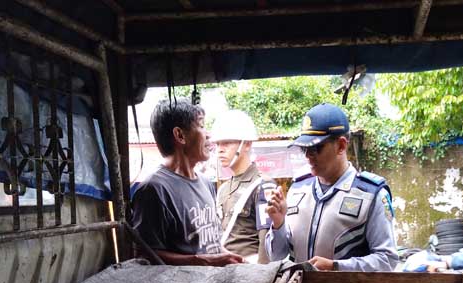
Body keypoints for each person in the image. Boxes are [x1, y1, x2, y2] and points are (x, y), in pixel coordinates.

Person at [264, 103, 398, 271]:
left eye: (315, 148)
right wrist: (278, 223)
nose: (308, 156)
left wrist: (337, 267)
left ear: (341, 146)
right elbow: (276, 257)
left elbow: (387, 259)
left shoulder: (371, 194)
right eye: (304, 149)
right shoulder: (298, 189)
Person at [130, 99, 244, 266]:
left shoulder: (205, 183)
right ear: (180, 135)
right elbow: (145, 256)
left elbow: (210, 246)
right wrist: (199, 261)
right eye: (201, 125)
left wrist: (231, 258)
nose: (208, 134)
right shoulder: (153, 190)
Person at [210, 109, 276, 264]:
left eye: (227, 143)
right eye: (218, 144)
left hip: (248, 270)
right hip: (222, 270)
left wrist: (261, 277)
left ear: (246, 144)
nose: (220, 149)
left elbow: (267, 238)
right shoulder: (223, 189)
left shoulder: (263, 185)